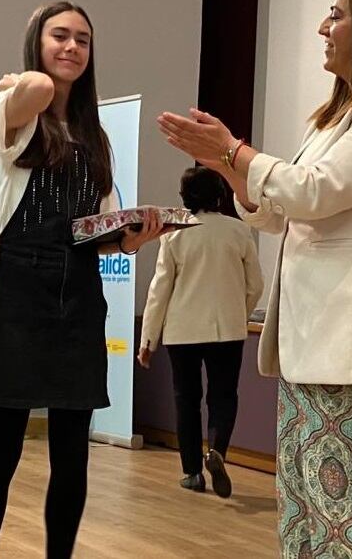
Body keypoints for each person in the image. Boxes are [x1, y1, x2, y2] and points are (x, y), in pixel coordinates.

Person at [158, 0, 352, 557]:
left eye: (337, 14)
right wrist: (227, 169)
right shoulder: (342, 114)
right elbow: (284, 211)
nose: (323, 26)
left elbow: (317, 192)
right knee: (307, 516)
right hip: (312, 340)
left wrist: (235, 150)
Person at [0, 1, 164, 559]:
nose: (73, 47)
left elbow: (88, 231)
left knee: (72, 451)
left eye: (83, 40)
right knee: (1, 445)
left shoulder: (96, 136)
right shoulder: (13, 108)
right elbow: (37, 91)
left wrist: (130, 236)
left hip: (78, 294)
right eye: (60, 36)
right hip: (16, 292)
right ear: (36, 42)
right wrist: (26, 77)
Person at [137, 166, 263, 497]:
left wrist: (148, 340)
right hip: (228, 329)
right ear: (221, 196)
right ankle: (217, 450)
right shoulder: (239, 232)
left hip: (182, 333)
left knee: (187, 400)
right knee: (223, 396)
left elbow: (159, 290)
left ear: (185, 199)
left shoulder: (175, 235)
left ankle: (192, 471)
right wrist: (239, 312)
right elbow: (256, 285)